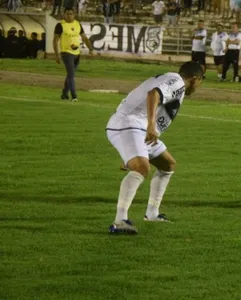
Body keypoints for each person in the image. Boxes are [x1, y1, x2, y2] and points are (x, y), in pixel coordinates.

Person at [106, 61, 204, 234]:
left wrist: (133, 154)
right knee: (142, 168)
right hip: (130, 123)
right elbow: (153, 94)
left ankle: (152, 213)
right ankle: (120, 221)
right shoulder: (178, 81)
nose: (199, 85)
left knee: (167, 165)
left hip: (138, 129)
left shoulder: (174, 83)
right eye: (201, 80)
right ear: (195, 79)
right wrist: (151, 125)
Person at [53, 8, 94, 102]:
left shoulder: (77, 24)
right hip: (66, 53)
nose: (69, 16)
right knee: (71, 75)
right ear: (64, 14)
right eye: (67, 14)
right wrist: (56, 55)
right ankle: (74, 96)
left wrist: (90, 49)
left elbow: (85, 38)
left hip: (76, 53)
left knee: (70, 75)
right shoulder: (60, 25)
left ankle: (64, 94)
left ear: (74, 14)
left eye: (71, 14)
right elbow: (55, 41)